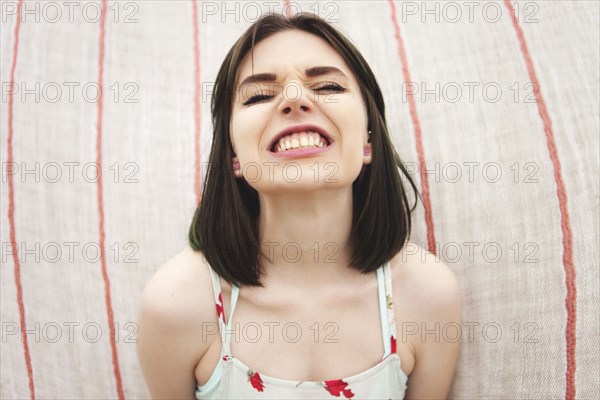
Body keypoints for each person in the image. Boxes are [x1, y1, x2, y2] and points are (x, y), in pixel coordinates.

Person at [137, 12, 461, 400]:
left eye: (325, 85)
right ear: (233, 158)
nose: (294, 99)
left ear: (368, 144)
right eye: (258, 95)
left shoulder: (428, 295)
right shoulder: (176, 304)